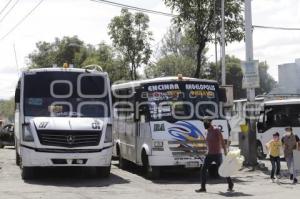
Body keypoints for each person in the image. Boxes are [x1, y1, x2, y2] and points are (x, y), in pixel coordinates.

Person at [195, 119, 234, 193]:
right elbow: (208, 143)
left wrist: (225, 151)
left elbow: (222, 140)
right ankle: (203, 188)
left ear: (210, 123)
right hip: (209, 154)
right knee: (203, 170)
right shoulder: (207, 131)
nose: (206, 127)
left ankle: (230, 184)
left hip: (217, 154)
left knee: (222, 170)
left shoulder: (216, 130)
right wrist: (206, 150)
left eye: (206, 124)